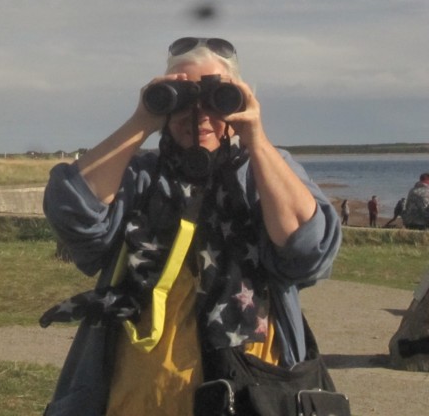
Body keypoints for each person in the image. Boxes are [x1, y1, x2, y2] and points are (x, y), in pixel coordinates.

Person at [41, 37, 341, 415]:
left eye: (218, 97)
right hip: (138, 399)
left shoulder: (265, 169)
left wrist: (256, 140)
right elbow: (72, 212)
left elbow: (308, 251)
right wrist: (142, 121)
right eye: (181, 98)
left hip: (253, 395)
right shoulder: (141, 177)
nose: (198, 113)